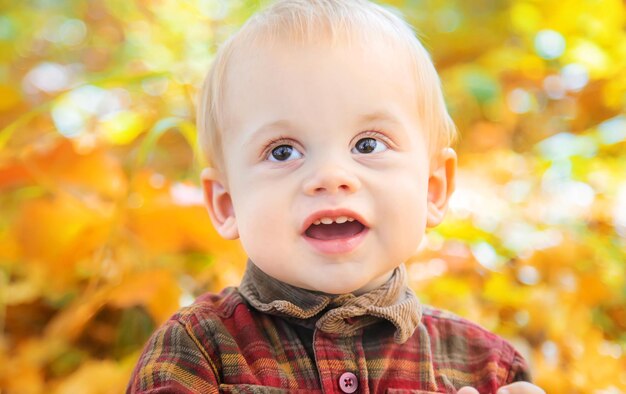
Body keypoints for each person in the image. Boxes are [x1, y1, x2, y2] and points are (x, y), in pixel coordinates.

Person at [127, 0, 546, 393]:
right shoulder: (195, 353)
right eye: (283, 151)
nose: (330, 177)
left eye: (367, 144)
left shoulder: (487, 367)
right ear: (227, 204)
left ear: (433, 189)